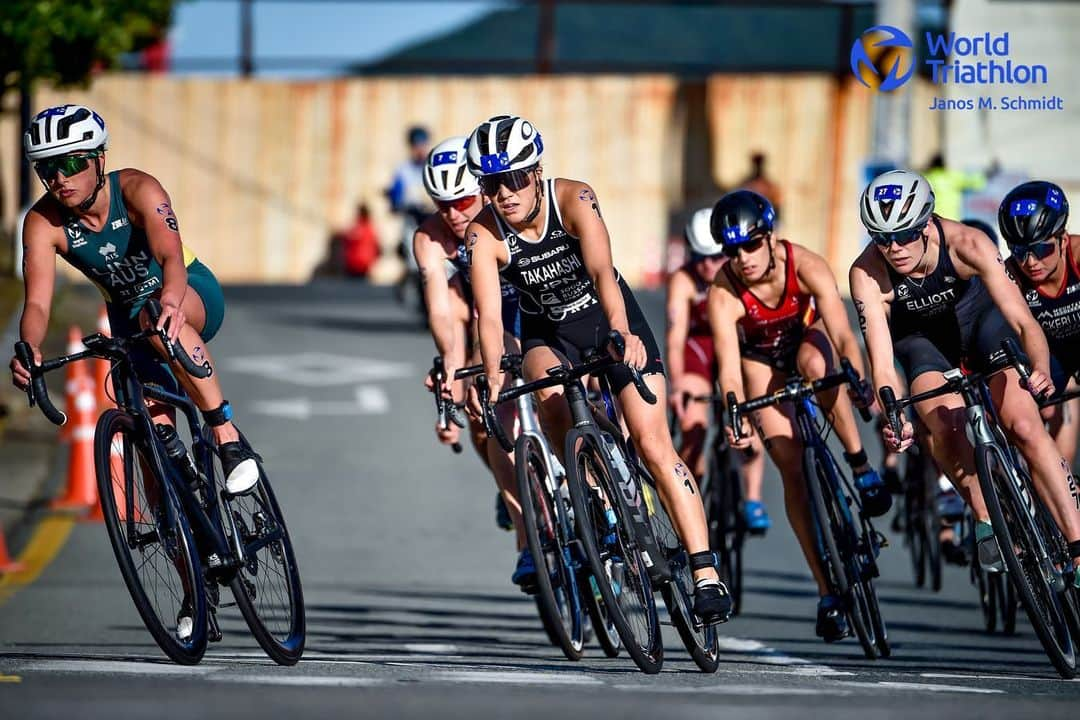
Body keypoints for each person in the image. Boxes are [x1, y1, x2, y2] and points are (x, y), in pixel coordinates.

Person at [464, 114, 732, 624]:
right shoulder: (484, 235)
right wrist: (495, 383)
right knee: (548, 396)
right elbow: (490, 319)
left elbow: (602, 273)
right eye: (492, 184)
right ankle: (595, 495)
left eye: (515, 178)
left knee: (653, 444)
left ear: (537, 171)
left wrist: (623, 333)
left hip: (609, 319)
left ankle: (704, 572)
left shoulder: (574, 199)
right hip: (550, 334)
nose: (505, 193)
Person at [10, 103, 261, 639]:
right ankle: (197, 590)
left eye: (72, 162)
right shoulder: (43, 223)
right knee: (155, 465)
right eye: (47, 169)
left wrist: (170, 303)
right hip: (131, 324)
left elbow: (170, 256)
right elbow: (36, 305)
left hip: (188, 293)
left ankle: (225, 432)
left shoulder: (139, 189)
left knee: (156, 316)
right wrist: (28, 349)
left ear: (100, 159)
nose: (60, 178)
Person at [849, 169, 1080, 587]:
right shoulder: (866, 273)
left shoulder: (968, 243)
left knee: (1024, 423)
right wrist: (894, 415)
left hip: (982, 326)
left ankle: (1078, 546)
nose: (893, 248)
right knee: (941, 422)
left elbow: (1024, 323)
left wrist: (1041, 370)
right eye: (882, 238)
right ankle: (985, 516)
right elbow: (881, 363)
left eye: (904, 234)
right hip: (923, 343)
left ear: (925, 224)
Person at [706, 189, 885, 643]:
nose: (742, 259)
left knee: (819, 368)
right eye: (732, 251)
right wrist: (734, 413)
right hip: (759, 359)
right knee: (789, 465)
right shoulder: (724, 292)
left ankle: (859, 463)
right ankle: (827, 592)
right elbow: (728, 367)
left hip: (807, 338)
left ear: (769, 238)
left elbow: (844, 335)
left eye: (750, 245)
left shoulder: (804, 264)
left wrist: (860, 381)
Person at [412, 135, 529, 583]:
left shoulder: (505, 212)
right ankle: (523, 527)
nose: (453, 214)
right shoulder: (430, 236)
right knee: (477, 401)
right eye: (442, 204)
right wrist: (450, 364)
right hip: (486, 308)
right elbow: (442, 310)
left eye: (461, 200)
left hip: (531, 299)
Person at [665, 207, 768, 532]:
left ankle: (752, 498)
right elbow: (675, 335)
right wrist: (678, 383)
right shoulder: (684, 279)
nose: (708, 265)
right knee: (693, 425)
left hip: (735, 351)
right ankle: (689, 501)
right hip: (698, 351)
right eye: (700, 257)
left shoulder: (741, 273)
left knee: (754, 415)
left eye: (715, 256)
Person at [999, 181, 1080, 469]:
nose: (1030, 262)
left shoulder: (1078, 255)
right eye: (1019, 252)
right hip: (1046, 356)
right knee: (1040, 408)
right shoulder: (1010, 275)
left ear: (1064, 240)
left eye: (1041, 249)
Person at [342, 203, 380, 278]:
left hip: (356, 263)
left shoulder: (358, 227)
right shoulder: (370, 228)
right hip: (363, 262)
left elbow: (347, 239)